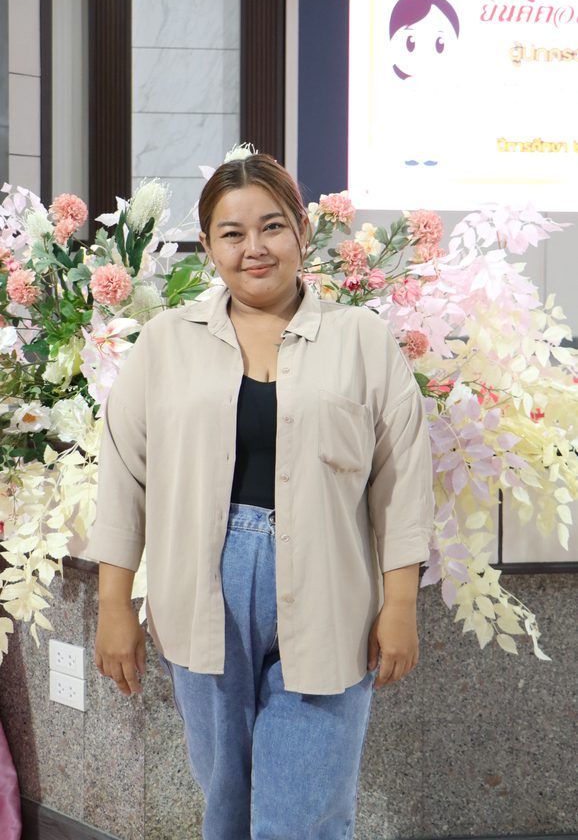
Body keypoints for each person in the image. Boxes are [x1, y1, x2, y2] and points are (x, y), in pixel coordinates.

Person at [90, 153, 434, 840]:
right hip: (199, 591)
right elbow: (124, 476)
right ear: (208, 244)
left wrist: (400, 605)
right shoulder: (165, 344)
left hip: (331, 592)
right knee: (224, 802)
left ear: (302, 230)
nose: (255, 248)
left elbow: (401, 480)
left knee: (305, 810)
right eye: (232, 233)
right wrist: (113, 606)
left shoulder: (362, 341)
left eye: (272, 227)